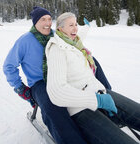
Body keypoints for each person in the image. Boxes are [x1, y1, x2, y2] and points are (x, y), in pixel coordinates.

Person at [46, 12, 140, 144]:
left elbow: (80, 34)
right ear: (60, 29)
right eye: (71, 25)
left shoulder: (74, 42)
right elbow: (56, 92)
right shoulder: (57, 49)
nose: (75, 28)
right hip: (80, 107)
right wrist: (97, 100)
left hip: (99, 91)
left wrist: (87, 26)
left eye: (76, 24)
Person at [3, 6, 87, 144]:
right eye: (43, 19)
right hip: (40, 83)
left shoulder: (56, 35)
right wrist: (20, 87)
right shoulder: (25, 40)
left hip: (62, 76)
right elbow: (9, 66)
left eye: (49, 19)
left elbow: (73, 49)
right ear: (35, 22)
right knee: (52, 106)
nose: (48, 23)